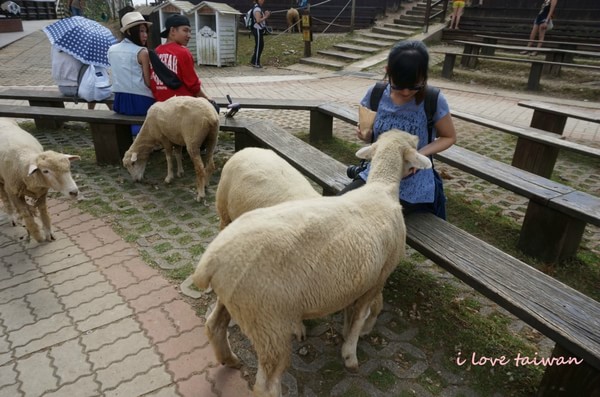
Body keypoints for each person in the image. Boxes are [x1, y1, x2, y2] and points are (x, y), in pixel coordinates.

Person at [339, 40, 457, 219]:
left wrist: (419, 155)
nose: (406, 92)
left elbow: (449, 137)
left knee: (374, 219)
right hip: (377, 172)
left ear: (424, 76)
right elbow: (368, 133)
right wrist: (366, 135)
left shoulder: (433, 99)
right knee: (340, 208)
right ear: (388, 71)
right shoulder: (376, 94)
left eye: (415, 86)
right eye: (399, 85)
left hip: (413, 182)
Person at [108, 11, 155, 136]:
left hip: (120, 101)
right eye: (141, 31)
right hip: (141, 101)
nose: (145, 35)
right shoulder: (142, 52)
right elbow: (148, 82)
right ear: (129, 32)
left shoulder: (112, 49)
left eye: (146, 31)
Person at [150, 14, 212, 102]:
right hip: (182, 106)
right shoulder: (183, 52)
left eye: (190, 31)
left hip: (161, 105)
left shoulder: (156, 52)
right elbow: (193, 86)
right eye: (185, 30)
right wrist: (208, 100)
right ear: (172, 31)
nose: (189, 35)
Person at [250, 0, 271, 68]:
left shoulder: (258, 8)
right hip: (257, 29)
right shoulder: (257, 9)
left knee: (260, 45)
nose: (263, 1)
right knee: (259, 46)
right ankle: (256, 62)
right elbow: (258, 20)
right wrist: (266, 16)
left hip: (259, 29)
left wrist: (264, 15)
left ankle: (254, 61)